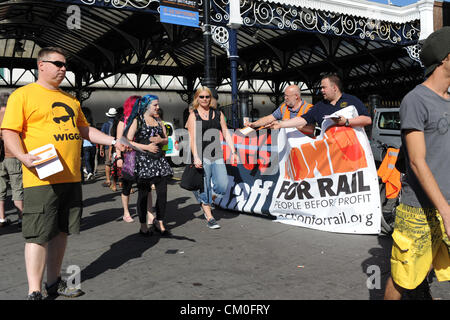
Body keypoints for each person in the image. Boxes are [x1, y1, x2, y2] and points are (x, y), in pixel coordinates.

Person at [0, 47, 125, 300]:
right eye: (57, 63)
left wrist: (113, 141)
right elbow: (9, 131)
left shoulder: (71, 99)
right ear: (41, 65)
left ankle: (53, 283)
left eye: (65, 65)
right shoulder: (23, 95)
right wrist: (23, 157)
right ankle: (34, 289)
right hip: (41, 178)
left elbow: (85, 130)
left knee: (61, 232)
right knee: (38, 233)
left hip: (70, 177)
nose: (63, 68)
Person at [384, 27, 450, 300]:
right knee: (403, 279)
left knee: (424, 271)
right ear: (445, 58)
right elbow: (417, 160)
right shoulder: (416, 100)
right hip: (419, 209)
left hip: (446, 203)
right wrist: (446, 212)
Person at [186, 87, 238, 229]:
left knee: (222, 184)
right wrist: (196, 156)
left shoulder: (218, 113)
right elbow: (192, 138)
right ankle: (209, 215)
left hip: (216, 154)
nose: (204, 99)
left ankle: (205, 200)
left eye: (207, 97)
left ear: (211, 98)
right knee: (205, 185)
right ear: (197, 98)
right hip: (201, 155)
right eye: (201, 97)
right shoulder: (193, 115)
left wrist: (234, 151)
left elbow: (226, 132)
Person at [125, 95, 173, 236]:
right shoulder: (137, 120)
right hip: (144, 161)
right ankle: (143, 226)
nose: (158, 108)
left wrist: (161, 140)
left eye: (158, 105)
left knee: (162, 193)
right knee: (144, 195)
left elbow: (166, 140)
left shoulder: (159, 120)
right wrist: (146, 147)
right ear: (146, 106)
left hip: (159, 161)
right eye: (155, 105)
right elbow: (128, 141)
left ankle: (160, 222)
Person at [269, 74, 372, 131]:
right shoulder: (320, 106)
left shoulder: (351, 100)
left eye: (324, 87)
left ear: (334, 88)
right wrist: (281, 124)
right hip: (330, 157)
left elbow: (367, 120)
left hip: (351, 156)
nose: (321, 90)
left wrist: (346, 122)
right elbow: (303, 119)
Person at [244, 84, 314, 133]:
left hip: (302, 147)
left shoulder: (309, 108)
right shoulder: (283, 107)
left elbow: (311, 130)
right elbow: (269, 119)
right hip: (286, 146)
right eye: (284, 95)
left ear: (296, 96)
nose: (285, 98)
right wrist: (254, 124)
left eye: (287, 96)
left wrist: (286, 124)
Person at [116, 96, 141, 223]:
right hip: (129, 156)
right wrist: (119, 157)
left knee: (143, 185)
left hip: (142, 156)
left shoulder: (142, 119)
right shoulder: (124, 120)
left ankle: (145, 211)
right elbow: (118, 140)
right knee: (127, 186)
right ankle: (126, 212)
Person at [0, 92, 23, 228]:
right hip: (12, 156)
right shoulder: (11, 116)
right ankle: (21, 219)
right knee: (17, 187)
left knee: (0, 189)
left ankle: (2, 218)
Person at [99, 107, 117, 188]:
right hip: (117, 145)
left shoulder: (105, 125)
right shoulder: (118, 124)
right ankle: (118, 181)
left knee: (108, 163)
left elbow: (102, 137)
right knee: (117, 163)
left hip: (107, 145)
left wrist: (101, 148)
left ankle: (108, 180)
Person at [81, 107, 96, 181]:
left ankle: (90, 172)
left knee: (87, 159)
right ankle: (91, 172)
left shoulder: (83, 124)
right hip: (92, 145)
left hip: (86, 145)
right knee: (91, 160)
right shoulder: (92, 124)